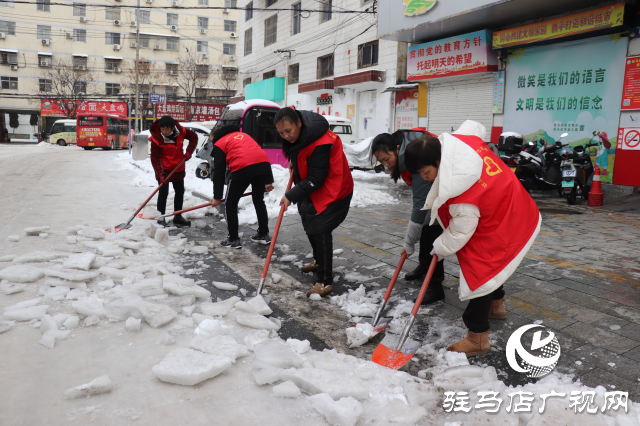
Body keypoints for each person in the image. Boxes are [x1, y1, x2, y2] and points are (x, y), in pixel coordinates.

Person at [404, 120, 541, 357]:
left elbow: (458, 234)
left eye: (426, 173)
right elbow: (473, 126)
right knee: (494, 265)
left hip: (507, 220)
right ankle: (497, 306)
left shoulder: (462, 195)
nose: (425, 179)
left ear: (439, 161)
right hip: (513, 205)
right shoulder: (459, 146)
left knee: (481, 272)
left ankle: (477, 337)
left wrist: (438, 247)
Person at [275, 107, 353, 298]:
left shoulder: (320, 142)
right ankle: (319, 261)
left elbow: (317, 178)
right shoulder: (301, 136)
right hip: (313, 187)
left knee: (320, 228)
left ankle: (325, 281)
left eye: (288, 131)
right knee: (309, 221)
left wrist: (291, 195)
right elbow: (301, 155)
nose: (286, 136)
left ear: (299, 123)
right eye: (281, 133)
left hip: (334, 188)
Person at [371, 130, 446, 305]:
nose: (386, 164)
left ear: (397, 149)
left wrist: (409, 241)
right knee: (425, 223)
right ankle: (424, 265)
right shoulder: (405, 150)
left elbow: (422, 204)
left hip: (450, 193)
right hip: (437, 192)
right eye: (381, 161)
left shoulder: (415, 157)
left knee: (430, 228)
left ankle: (435, 286)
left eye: (387, 158)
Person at [209, 125, 275, 249]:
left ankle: (233, 239)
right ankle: (263, 234)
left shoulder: (220, 142)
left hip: (242, 167)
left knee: (230, 203)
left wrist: (217, 197)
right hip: (262, 167)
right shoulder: (244, 136)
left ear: (215, 136)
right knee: (258, 200)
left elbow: (218, 172)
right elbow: (260, 155)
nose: (212, 143)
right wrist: (268, 181)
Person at [149, 115, 198, 228]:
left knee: (180, 192)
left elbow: (194, 137)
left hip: (178, 168)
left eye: (167, 129)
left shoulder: (181, 132)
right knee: (163, 193)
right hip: (164, 170)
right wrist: (160, 174)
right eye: (162, 128)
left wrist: (189, 151)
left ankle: (178, 216)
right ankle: (161, 217)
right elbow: (154, 159)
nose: (164, 131)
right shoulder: (157, 138)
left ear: (172, 128)